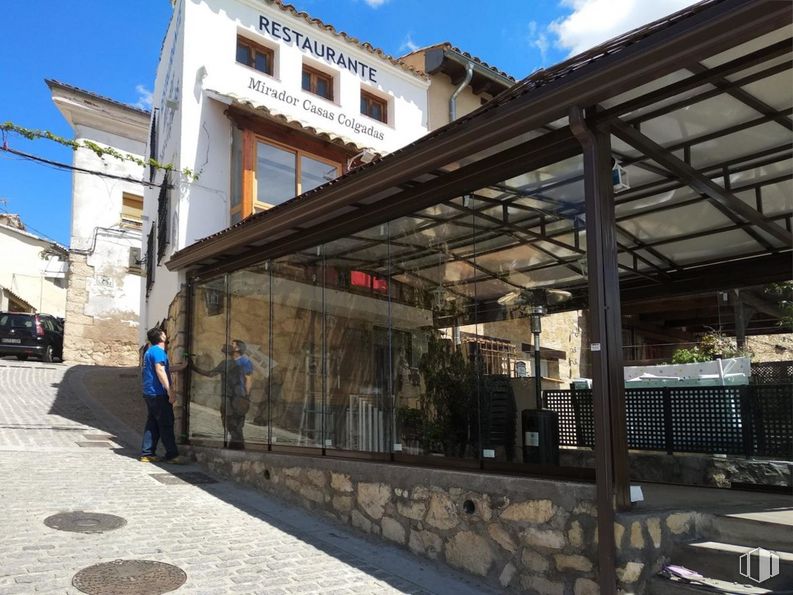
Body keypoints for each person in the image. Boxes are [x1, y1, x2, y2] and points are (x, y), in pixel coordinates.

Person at [193, 339, 253, 448]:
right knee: (237, 425)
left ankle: (236, 448)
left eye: (232, 345)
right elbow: (248, 380)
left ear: (237, 348)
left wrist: (193, 367)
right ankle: (237, 447)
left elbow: (210, 374)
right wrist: (246, 396)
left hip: (231, 397)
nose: (229, 346)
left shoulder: (227, 363)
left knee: (231, 423)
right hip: (240, 396)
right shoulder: (245, 362)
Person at [140, 327, 186, 463]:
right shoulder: (159, 352)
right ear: (160, 337)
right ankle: (172, 455)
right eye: (163, 333)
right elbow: (160, 370)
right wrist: (170, 390)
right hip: (158, 393)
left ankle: (147, 453)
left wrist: (180, 367)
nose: (166, 334)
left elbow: (163, 369)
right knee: (166, 423)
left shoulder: (150, 352)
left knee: (153, 423)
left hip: (149, 393)